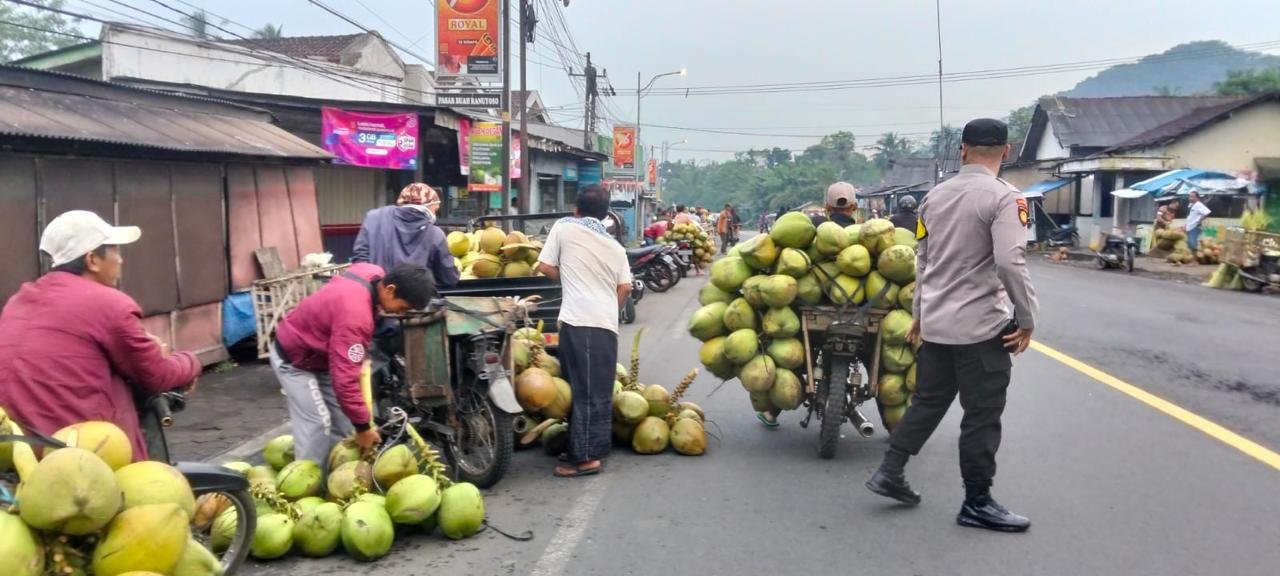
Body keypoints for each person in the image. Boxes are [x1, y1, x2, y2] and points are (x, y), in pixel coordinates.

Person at [865, 118, 1038, 533]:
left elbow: (922, 261)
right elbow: (1009, 262)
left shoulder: (933, 199)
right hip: (980, 328)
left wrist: (921, 315)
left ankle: (890, 470)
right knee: (981, 415)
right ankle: (977, 502)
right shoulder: (1006, 199)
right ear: (1007, 151)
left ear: (963, 151)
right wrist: (1028, 318)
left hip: (938, 325)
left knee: (927, 401)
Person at [0, 211, 201, 460]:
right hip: (79, 452)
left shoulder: (20, 299)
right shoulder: (108, 303)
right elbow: (156, 375)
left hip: (19, 446)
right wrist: (191, 362)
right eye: (115, 251)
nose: (121, 260)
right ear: (93, 259)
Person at [271, 262, 435, 472]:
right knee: (317, 422)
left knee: (345, 423)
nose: (400, 313)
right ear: (390, 289)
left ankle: (336, 476)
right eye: (402, 307)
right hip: (295, 359)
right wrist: (364, 427)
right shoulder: (355, 318)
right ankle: (306, 486)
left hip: (321, 356)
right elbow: (345, 380)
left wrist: (359, 424)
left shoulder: (373, 274)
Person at [535, 184, 632, 478]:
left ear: (576, 209)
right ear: (605, 215)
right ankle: (592, 448)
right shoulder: (615, 246)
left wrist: (570, 277)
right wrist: (609, 308)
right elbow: (625, 287)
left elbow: (543, 265)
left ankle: (586, 457)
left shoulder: (564, 229)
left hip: (579, 321)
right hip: (604, 323)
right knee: (596, 388)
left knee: (584, 390)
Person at [352, 183, 459, 288]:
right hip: (413, 300)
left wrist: (374, 288)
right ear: (428, 207)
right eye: (435, 209)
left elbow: (360, 259)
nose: (435, 213)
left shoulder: (374, 217)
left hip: (373, 295)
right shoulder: (435, 234)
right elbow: (449, 278)